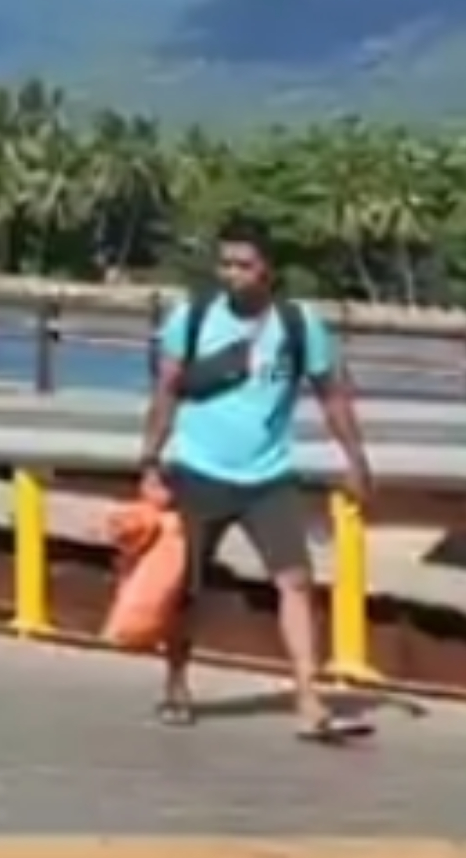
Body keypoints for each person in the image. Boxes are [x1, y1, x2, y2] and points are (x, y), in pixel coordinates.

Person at [137, 214, 373, 741]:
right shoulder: (193, 317)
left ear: (268, 269)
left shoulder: (298, 324)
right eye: (225, 263)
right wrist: (150, 463)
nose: (231, 274)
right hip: (198, 471)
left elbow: (331, 394)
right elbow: (167, 391)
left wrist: (355, 459)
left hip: (269, 477)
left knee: (296, 581)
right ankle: (176, 683)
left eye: (244, 265)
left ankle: (309, 700)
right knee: (186, 590)